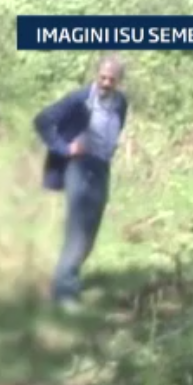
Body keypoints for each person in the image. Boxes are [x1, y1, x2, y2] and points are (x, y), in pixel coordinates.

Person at [33, 54, 129, 313]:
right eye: (102, 77)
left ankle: (64, 278)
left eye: (111, 79)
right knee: (77, 229)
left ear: (119, 81)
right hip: (79, 166)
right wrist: (65, 148)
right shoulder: (80, 99)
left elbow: (116, 128)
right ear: (96, 75)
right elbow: (43, 120)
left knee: (90, 232)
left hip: (102, 168)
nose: (106, 83)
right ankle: (65, 294)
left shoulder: (121, 103)